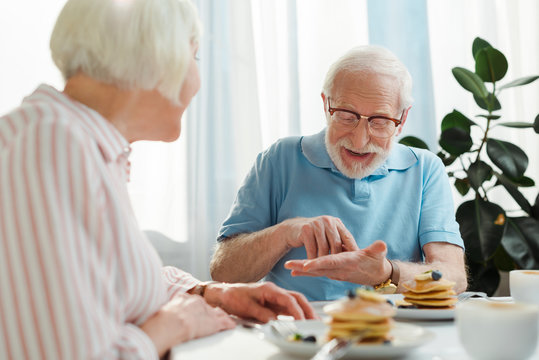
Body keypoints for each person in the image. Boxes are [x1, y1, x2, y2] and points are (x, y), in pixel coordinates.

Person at [0, 0, 315, 359]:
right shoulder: (51, 143)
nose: (197, 84)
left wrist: (211, 295)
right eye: (194, 57)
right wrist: (174, 324)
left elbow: (114, 280)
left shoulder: (75, 142)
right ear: (160, 55)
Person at [210, 45, 468, 301]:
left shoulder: (425, 169)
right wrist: (286, 232)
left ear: (402, 119)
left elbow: (454, 278)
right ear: (326, 105)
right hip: (299, 327)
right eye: (346, 116)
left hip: (394, 330)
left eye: (379, 121)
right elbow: (224, 272)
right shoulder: (278, 159)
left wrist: (386, 272)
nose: (359, 140)